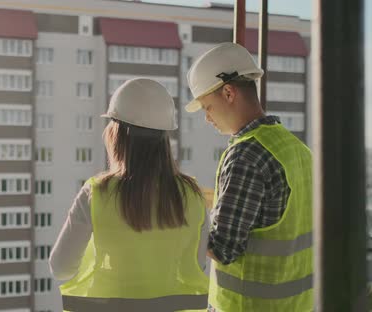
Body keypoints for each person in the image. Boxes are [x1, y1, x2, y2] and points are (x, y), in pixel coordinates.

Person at [49, 78, 209, 311]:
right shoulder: (192, 195)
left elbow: (61, 268)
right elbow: (197, 264)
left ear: (117, 134)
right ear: (165, 138)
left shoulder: (96, 193)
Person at [185, 42, 313, 311]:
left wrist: (184, 215)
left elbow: (223, 248)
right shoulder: (297, 149)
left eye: (207, 107)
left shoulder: (246, 156)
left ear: (229, 93)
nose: (207, 119)